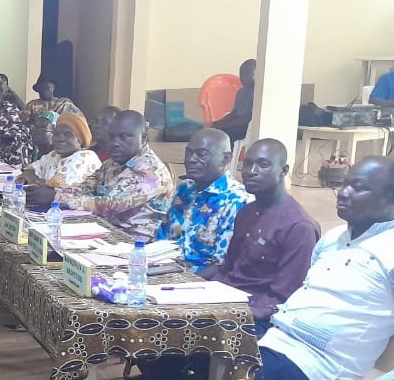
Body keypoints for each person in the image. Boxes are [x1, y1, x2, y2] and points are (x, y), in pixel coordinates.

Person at [104, 155, 394, 380]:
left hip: (320, 367)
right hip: (277, 339)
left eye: (359, 187)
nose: (344, 192)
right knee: (175, 342)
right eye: (345, 184)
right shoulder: (335, 239)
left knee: (221, 371)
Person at [207, 138, 319, 325]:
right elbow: (227, 269)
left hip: (255, 317)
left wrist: (230, 313)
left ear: (284, 170)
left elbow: (284, 297)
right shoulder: (247, 212)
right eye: (248, 164)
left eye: (263, 165)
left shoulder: (299, 227)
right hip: (223, 297)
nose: (251, 171)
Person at [58, 110, 174, 239]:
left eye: (124, 137)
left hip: (136, 243)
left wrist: (60, 198)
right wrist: (61, 193)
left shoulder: (151, 172)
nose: (115, 143)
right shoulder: (112, 163)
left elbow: (109, 204)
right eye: (111, 137)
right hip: (103, 233)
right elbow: (86, 186)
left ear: (143, 138)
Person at [155, 128, 251, 272]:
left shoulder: (236, 200)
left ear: (226, 159)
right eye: (189, 152)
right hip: (162, 269)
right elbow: (161, 239)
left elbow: (221, 265)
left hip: (200, 279)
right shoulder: (184, 189)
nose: (191, 159)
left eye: (202, 154)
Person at [24, 113, 102, 205]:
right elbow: (29, 171)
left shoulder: (86, 157)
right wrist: (38, 183)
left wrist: (41, 185)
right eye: (56, 134)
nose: (59, 139)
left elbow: (57, 186)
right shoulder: (54, 155)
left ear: (80, 139)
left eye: (68, 134)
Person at [212, 59, 256, 142]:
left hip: (247, 126)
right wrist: (222, 121)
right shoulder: (241, 92)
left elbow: (249, 118)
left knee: (225, 133)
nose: (243, 77)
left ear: (258, 75)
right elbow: (235, 112)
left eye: (247, 74)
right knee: (214, 128)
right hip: (237, 123)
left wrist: (228, 124)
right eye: (241, 73)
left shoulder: (258, 93)